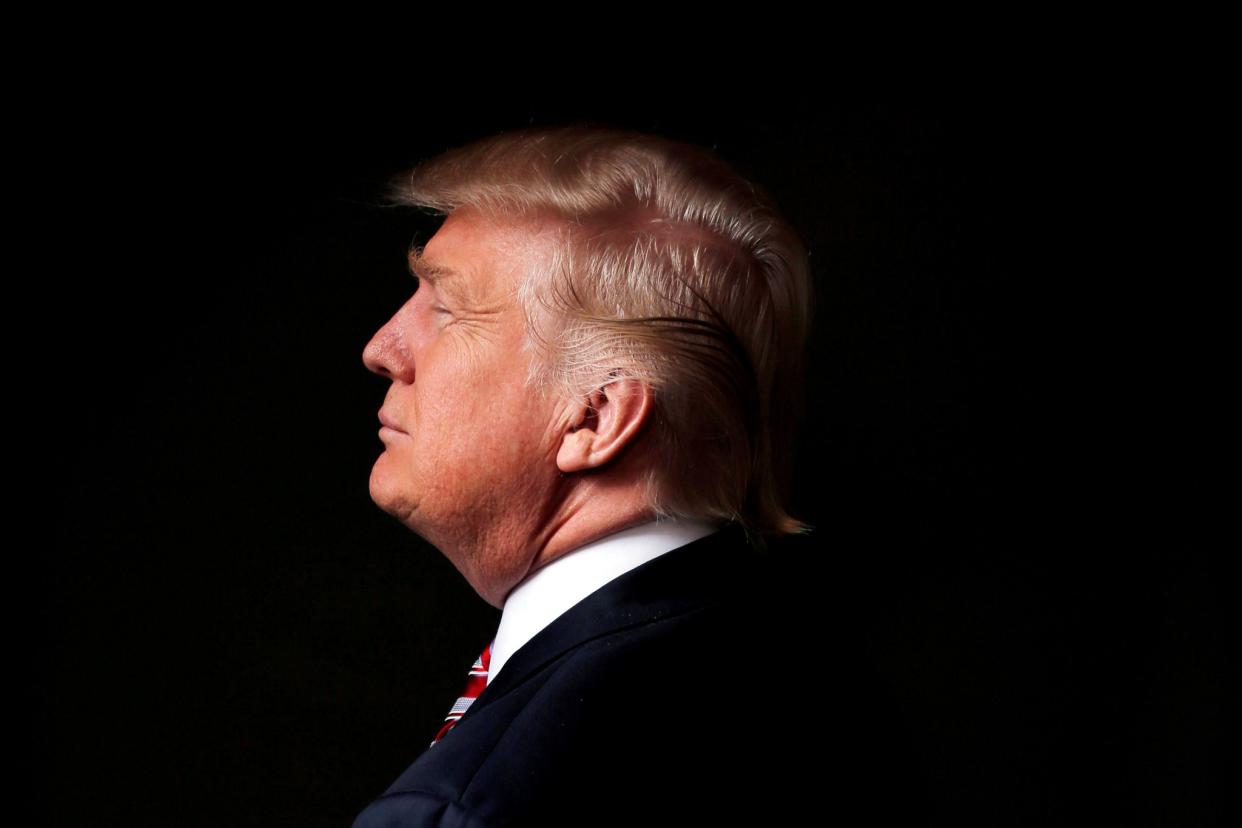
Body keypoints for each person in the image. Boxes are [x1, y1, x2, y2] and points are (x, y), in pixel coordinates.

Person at [352, 124, 923, 826]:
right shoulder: (828, 681)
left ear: (595, 417)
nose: (382, 349)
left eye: (447, 308)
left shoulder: (476, 803)